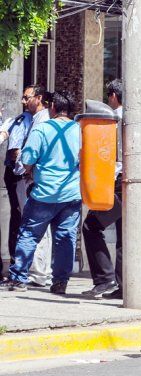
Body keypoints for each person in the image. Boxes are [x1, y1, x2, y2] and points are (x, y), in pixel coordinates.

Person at [0, 90, 82, 294]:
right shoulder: (79, 130)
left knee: (28, 234)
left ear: (52, 106)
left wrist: (30, 169)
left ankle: (18, 278)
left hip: (44, 192)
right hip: (71, 194)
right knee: (65, 238)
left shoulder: (42, 129)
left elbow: (27, 160)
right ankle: (60, 282)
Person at [0, 85, 53, 286]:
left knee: (36, 224)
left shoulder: (44, 120)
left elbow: (35, 151)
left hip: (33, 177)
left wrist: (24, 162)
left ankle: (38, 273)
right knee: (25, 221)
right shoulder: (23, 119)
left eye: (26, 97)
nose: (23, 101)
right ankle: (30, 271)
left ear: (38, 98)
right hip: (22, 176)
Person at [82, 79, 125, 299]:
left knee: (90, 226)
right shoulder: (135, 119)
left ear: (113, 96)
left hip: (117, 184)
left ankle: (104, 279)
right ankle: (123, 286)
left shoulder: (112, 120)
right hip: (130, 184)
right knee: (124, 235)